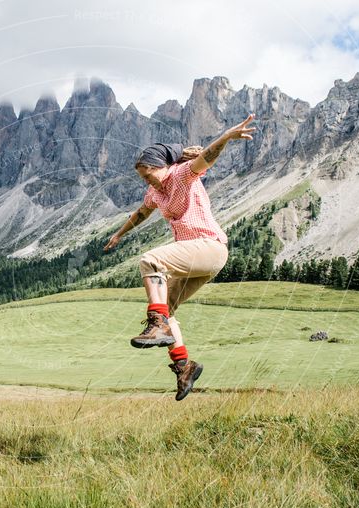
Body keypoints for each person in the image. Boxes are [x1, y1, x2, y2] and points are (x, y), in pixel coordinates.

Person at [103, 114, 257, 401]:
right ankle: (185, 366)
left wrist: (225, 137)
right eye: (142, 178)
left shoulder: (183, 173)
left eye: (148, 174)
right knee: (167, 309)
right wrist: (120, 234)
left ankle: (157, 323)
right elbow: (141, 213)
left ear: (162, 167)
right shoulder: (155, 192)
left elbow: (207, 157)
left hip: (210, 246)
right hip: (196, 260)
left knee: (150, 260)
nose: (147, 181)